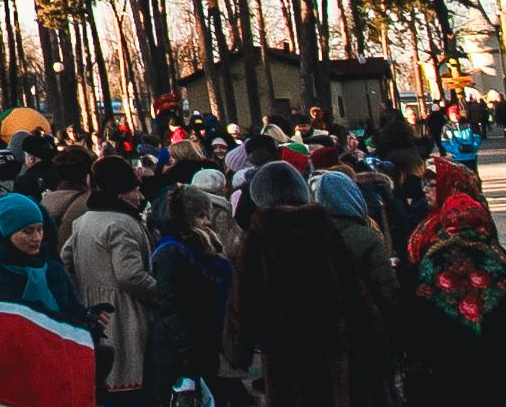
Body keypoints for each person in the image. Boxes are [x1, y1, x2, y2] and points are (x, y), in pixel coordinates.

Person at [224, 159, 389, 407]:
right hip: (330, 337)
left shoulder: (259, 236)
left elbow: (245, 301)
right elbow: (353, 287)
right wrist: (370, 332)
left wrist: (239, 349)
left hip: (283, 345)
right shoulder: (322, 227)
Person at [393, 191, 506, 402]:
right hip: (494, 365)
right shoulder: (498, 258)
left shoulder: (428, 261)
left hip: (443, 366)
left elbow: (408, 315)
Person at [61, 154, 155, 406]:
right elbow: (130, 275)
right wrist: (161, 294)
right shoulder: (121, 224)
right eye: (134, 190)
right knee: (129, 390)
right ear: (120, 193)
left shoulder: (83, 222)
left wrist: (82, 289)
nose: (140, 196)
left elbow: (66, 259)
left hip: (95, 314)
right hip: (125, 317)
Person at [149, 183, 239, 406]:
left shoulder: (200, 246)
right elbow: (170, 303)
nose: (207, 221)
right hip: (181, 346)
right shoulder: (172, 250)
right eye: (201, 215)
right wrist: (186, 349)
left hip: (203, 338)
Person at [0, 193, 87, 324]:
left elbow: (74, 314)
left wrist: (89, 317)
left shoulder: (53, 270)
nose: (37, 238)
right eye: (28, 231)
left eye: (40, 229)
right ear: (7, 233)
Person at [313, 169, 401, 312]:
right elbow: (387, 291)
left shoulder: (309, 235)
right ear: (352, 195)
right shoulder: (366, 237)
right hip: (362, 317)